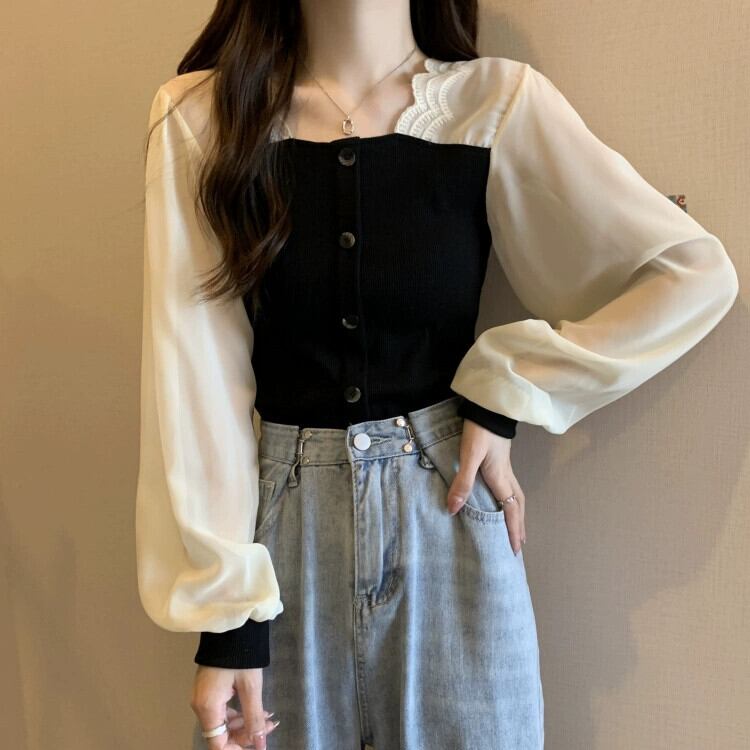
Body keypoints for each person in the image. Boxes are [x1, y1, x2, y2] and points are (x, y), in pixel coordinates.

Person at [135, 1, 739, 748]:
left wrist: (508, 386)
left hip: (450, 518)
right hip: (281, 557)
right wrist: (227, 621)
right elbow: (193, 378)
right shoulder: (203, 117)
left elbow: (687, 274)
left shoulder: (494, 104)